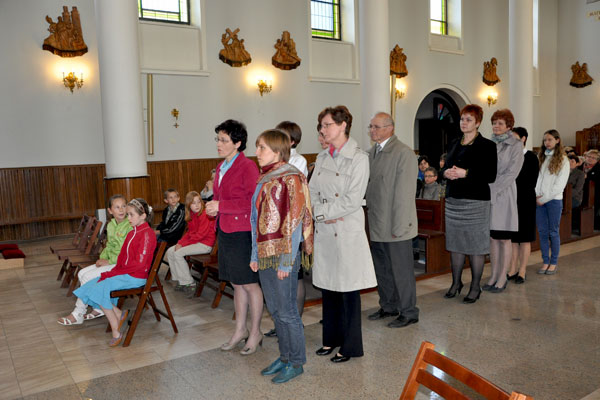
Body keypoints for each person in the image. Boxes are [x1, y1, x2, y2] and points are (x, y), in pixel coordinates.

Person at [309, 105, 377, 363]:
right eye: (322, 125)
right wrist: (322, 213)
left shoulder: (359, 158)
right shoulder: (322, 157)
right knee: (329, 287)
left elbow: (353, 199)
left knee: (348, 290)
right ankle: (331, 339)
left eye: (327, 125)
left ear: (343, 125)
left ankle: (350, 346)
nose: (323, 130)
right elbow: (311, 191)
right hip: (327, 228)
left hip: (346, 230)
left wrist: (324, 212)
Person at [250, 130, 313, 384]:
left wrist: (287, 262)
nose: (257, 152)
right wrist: (255, 254)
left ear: (277, 151)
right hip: (265, 254)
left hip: (284, 256)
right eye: (257, 147)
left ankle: (296, 362)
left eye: (262, 148)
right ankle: (284, 356)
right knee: (275, 310)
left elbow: (295, 223)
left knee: (287, 312)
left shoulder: (291, 178)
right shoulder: (264, 177)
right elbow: (255, 220)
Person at [205, 119, 263, 355]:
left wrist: (221, 206)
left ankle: (256, 332)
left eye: (224, 140)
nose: (218, 143)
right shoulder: (221, 166)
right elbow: (220, 198)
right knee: (236, 283)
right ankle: (240, 330)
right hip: (226, 230)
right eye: (217, 139)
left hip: (243, 232)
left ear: (237, 143)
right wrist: (214, 207)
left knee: (249, 283)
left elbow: (253, 202)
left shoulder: (247, 166)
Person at [72, 198, 157, 346]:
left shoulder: (147, 234)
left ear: (143, 216)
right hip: (126, 273)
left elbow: (139, 265)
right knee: (92, 284)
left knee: (99, 287)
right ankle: (118, 313)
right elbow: (122, 258)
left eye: (131, 215)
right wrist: (115, 271)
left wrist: (114, 273)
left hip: (136, 277)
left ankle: (116, 329)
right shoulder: (132, 232)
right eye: (128, 215)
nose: (128, 218)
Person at [365, 112, 419, 328]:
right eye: (370, 127)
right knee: (383, 269)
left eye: (376, 127)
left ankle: (409, 311)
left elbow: (405, 194)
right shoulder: (372, 152)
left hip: (396, 223)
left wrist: (400, 226)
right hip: (377, 221)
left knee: (401, 271)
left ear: (390, 128)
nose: (372, 131)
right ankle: (388, 306)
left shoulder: (403, 153)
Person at [442, 104, 497, 303]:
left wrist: (466, 173)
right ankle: (456, 283)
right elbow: (444, 168)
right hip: (454, 201)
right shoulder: (454, 143)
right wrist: (445, 173)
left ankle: (475, 287)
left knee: (475, 246)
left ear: (478, 123)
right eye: (462, 119)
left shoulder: (487, 145)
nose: (463, 123)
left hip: (476, 202)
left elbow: (490, 175)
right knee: (455, 245)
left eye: (468, 120)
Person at [57, 194, 132, 325]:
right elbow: (109, 246)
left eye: (124, 206)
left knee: (88, 277)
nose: (121, 210)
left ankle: (78, 313)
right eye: (117, 207)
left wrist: (109, 261)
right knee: (81, 273)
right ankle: (99, 308)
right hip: (111, 261)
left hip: (121, 264)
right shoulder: (111, 225)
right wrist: (102, 258)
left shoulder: (129, 226)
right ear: (110, 211)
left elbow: (126, 251)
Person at [263, 121, 308, 339]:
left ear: (291, 141)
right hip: (274, 233)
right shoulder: (271, 164)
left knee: (294, 277)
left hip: (290, 229)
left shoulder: (298, 162)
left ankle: (294, 320)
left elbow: (293, 199)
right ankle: (282, 322)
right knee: (276, 283)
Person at [483, 109, 523, 293]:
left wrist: (492, 189)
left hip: (504, 194)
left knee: (504, 238)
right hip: (488, 194)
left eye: (500, 123)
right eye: (494, 123)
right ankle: (493, 275)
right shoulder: (489, 143)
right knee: (492, 238)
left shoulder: (515, 144)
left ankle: (502, 277)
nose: (496, 126)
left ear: (508, 126)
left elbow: (512, 173)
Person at [165, 191, 216, 296]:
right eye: (193, 203)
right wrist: (180, 243)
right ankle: (180, 280)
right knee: (170, 251)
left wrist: (183, 245)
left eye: (199, 202)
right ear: (188, 205)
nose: (197, 205)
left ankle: (189, 282)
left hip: (205, 244)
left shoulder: (204, 214)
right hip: (196, 242)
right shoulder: (192, 215)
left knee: (178, 253)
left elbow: (200, 235)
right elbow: (189, 233)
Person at [507, 127, 539, 284]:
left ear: (523, 139)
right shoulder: (509, 155)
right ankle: (512, 268)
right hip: (511, 200)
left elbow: (531, 181)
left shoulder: (531, 157)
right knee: (513, 239)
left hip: (525, 201)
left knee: (525, 238)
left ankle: (522, 270)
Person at [535, 130, 570, 275]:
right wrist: (536, 195)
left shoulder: (563, 160)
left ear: (557, 140)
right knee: (542, 232)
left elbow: (560, 185)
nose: (547, 143)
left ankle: (553, 262)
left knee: (553, 232)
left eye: (549, 139)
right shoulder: (541, 156)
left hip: (553, 200)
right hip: (539, 200)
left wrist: (543, 199)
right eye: (545, 140)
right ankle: (545, 261)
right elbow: (537, 179)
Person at [580, 149, 600, 229]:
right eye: (589, 156)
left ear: (597, 160)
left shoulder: (598, 168)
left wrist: (587, 177)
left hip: (594, 193)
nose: (590, 159)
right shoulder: (579, 166)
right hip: (580, 191)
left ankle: (591, 223)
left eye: (593, 158)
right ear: (585, 157)